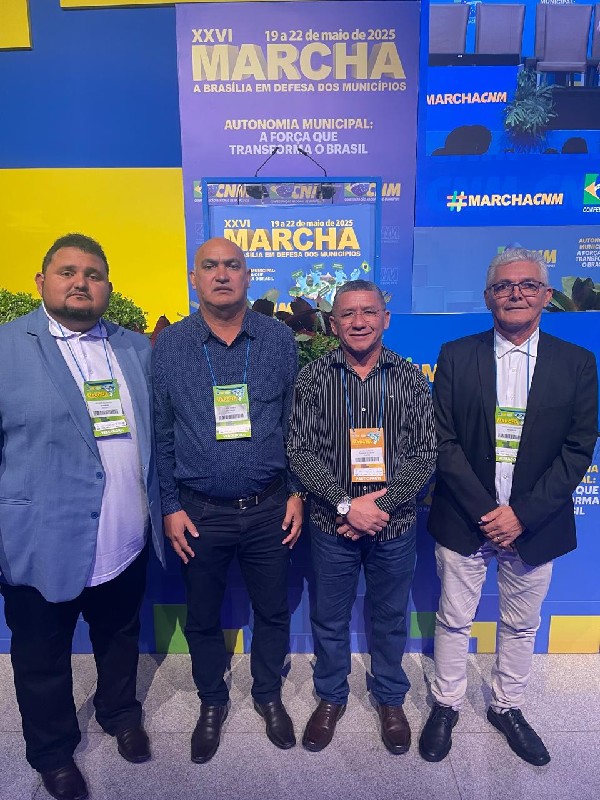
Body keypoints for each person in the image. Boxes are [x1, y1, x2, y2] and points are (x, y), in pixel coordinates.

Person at [0, 233, 165, 800]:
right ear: (40, 282)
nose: (80, 282)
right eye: (67, 272)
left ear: (108, 288)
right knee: (41, 657)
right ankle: (52, 752)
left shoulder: (135, 349)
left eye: (93, 274)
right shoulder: (6, 348)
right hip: (39, 542)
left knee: (119, 637)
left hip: (124, 537)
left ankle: (120, 713)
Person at [419, 247, 598, 766]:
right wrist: (487, 511)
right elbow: (442, 439)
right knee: (453, 618)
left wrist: (522, 513)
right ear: (487, 297)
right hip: (465, 516)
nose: (515, 293)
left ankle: (507, 706)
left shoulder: (577, 363)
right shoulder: (457, 355)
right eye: (503, 286)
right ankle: (446, 704)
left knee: (521, 624)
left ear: (546, 295)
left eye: (526, 285)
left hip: (536, 523)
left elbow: (579, 447)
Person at [152, 237, 303, 764]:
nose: (221, 275)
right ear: (194, 278)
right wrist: (169, 505)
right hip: (198, 512)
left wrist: (297, 492)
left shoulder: (278, 339)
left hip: (269, 507)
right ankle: (212, 701)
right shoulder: (171, 345)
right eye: (210, 266)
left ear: (247, 276)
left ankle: (268, 695)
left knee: (273, 611)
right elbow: (162, 433)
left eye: (232, 265)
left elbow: (294, 424)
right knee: (202, 616)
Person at [287, 279, 437, 754]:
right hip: (332, 525)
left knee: (390, 616)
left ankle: (390, 698)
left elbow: (425, 455)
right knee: (329, 617)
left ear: (385, 319)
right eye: (347, 314)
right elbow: (300, 451)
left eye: (368, 312)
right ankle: (331, 696)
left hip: (394, 527)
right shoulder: (313, 379)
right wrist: (347, 506)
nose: (358, 322)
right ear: (333, 324)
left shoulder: (410, 379)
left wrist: (379, 507)